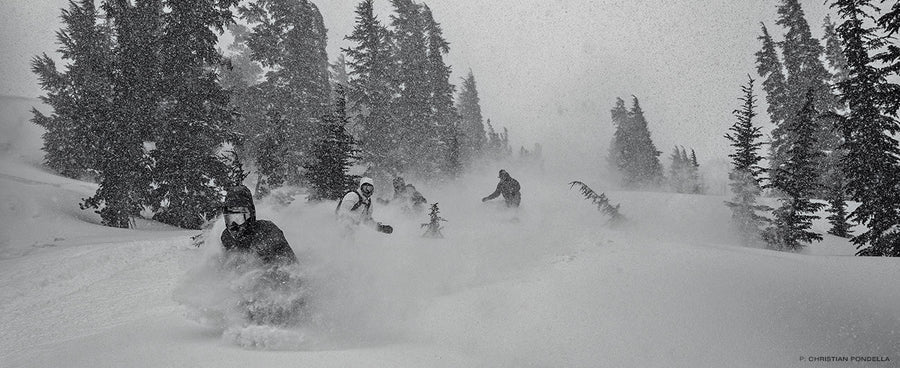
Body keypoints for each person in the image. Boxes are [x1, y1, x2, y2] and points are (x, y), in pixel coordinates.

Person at [221, 185, 297, 265]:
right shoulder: (227, 237)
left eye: (239, 219)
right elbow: (225, 267)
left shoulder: (268, 233)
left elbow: (291, 269)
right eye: (229, 219)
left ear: (250, 216)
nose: (234, 225)